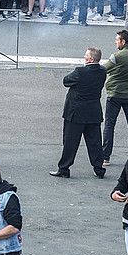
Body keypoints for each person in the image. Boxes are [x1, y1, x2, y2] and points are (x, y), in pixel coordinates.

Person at [50, 46, 108, 178]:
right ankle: (98, 168)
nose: (84, 57)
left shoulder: (80, 71)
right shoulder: (102, 71)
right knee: (95, 142)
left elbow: (66, 81)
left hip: (76, 112)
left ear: (90, 58)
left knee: (70, 142)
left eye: (86, 55)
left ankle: (64, 168)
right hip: (93, 111)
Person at [101, 30, 128, 167]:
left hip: (115, 94)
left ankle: (105, 156)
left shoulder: (117, 56)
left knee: (109, 125)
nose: (115, 42)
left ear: (123, 41)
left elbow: (104, 69)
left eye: (117, 40)